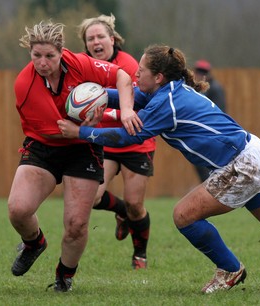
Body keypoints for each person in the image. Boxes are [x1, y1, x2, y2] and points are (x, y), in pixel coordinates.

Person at [58, 44, 260, 294]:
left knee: (183, 215)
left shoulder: (166, 103)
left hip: (241, 164)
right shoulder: (169, 90)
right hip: (253, 150)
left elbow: (129, 136)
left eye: (140, 71)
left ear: (159, 77)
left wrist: (80, 133)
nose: (135, 75)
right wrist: (98, 97)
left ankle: (230, 269)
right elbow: (131, 96)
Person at [8, 20, 137, 292]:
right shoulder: (25, 85)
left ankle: (64, 278)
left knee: (76, 224)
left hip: (82, 148)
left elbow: (123, 77)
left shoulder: (79, 63)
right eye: (36, 56)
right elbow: (59, 131)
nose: (43, 62)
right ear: (30, 53)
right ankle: (34, 242)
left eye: (50, 56)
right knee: (18, 210)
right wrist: (84, 127)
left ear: (61, 52)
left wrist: (125, 110)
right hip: (45, 145)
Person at [78, 13, 155, 269]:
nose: (96, 41)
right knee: (94, 198)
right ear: (86, 44)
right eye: (91, 38)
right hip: (105, 141)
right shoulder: (84, 67)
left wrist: (108, 112)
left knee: (135, 204)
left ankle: (140, 254)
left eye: (101, 36)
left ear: (112, 39)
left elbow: (139, 108)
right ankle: (120, 212)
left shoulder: (129, 65)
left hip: (136, 141)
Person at [193, 59, 227, 182]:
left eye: (204, 72)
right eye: (199, 71)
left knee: (208, 172)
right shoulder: (196, 88)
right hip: (200, 135)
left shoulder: (215, 88)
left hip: (209, 136)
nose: (201, 74)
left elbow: (219, 111)